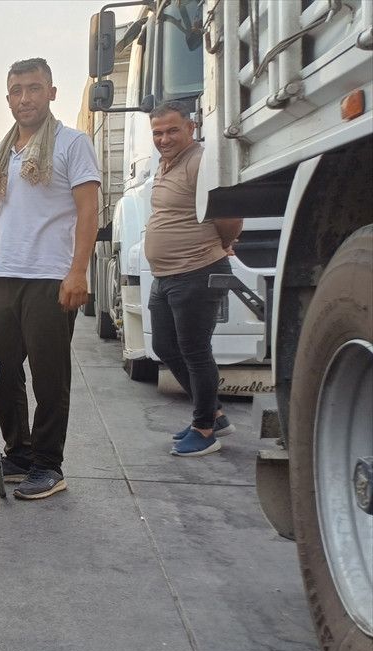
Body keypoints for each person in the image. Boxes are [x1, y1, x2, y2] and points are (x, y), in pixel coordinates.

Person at [0, 57, 100, 500]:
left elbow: (88, 210)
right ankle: (18, 454)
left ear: (52, 92)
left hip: (50, 277)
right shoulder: (6, 154)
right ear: (7, 98)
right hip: (6, 277)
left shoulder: (72, 144)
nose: (25, 98)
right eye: (17, 90)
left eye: (35, 88)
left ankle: (48, 465)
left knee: (48, 376)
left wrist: (77, 271)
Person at [145, 100, 242, 457]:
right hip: (167, 276)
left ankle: (204, 431)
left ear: (191, 127)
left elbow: (230, 214)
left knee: (196, 351)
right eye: (157, 132)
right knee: (165, 347)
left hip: (198, 272)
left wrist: (223, 244)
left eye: (172, 130)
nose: (164, 138)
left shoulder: (200, 161)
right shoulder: (165, 165)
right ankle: (213, 414)